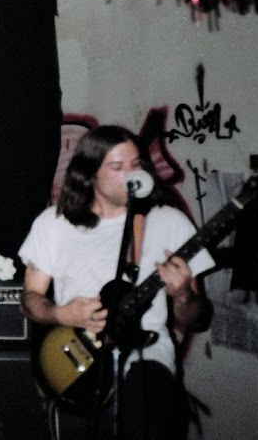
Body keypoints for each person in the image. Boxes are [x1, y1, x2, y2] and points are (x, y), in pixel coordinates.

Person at [18, 124, 215, 440]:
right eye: (117, 166)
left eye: (136, 164)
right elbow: (29, 301)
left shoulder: (170, 222)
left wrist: (182, 296)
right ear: (90, 174)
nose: (131, 174)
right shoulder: (53, 224)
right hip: (79, 359)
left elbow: (198, 318)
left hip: (146, 356)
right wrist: (61, 314)